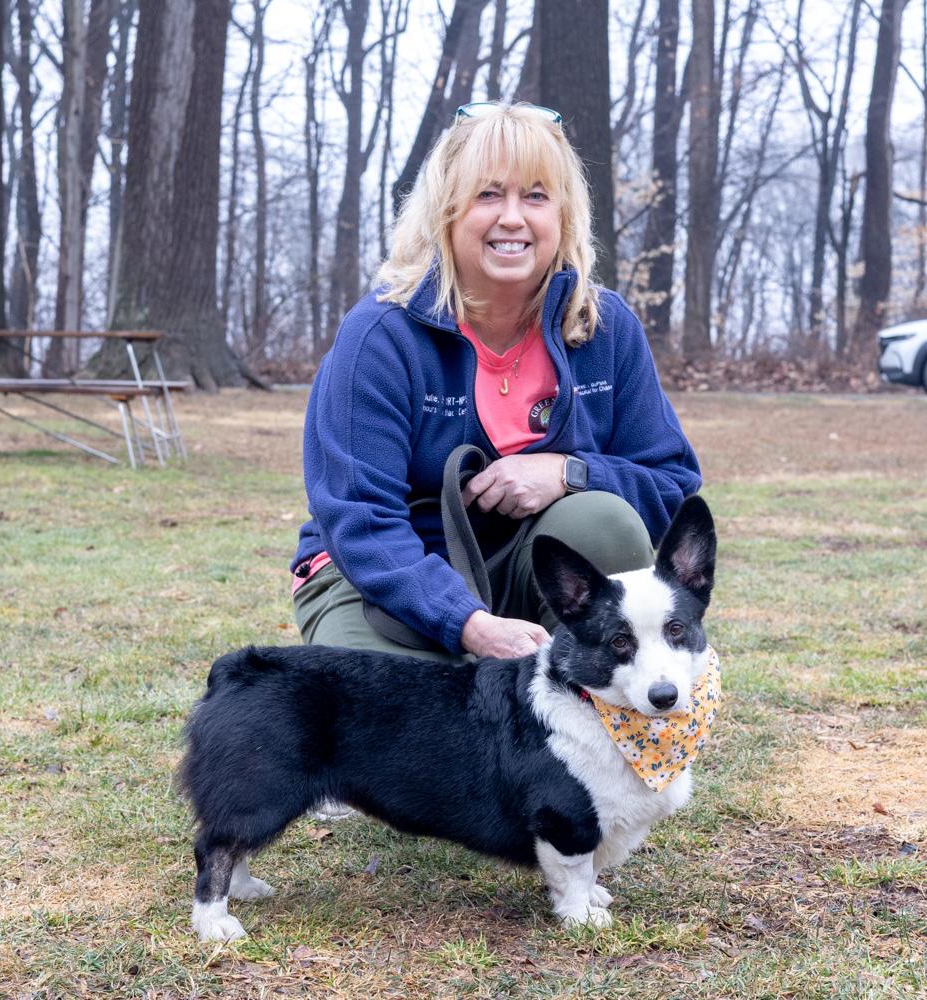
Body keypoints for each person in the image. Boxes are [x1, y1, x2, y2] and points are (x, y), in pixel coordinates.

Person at [291, 101, 702, 664]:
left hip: (534, 574)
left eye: (536, 196)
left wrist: (567, 473)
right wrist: (469, 625)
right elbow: (360, 519)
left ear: (563, 216)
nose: (513, 217)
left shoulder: (605, 329)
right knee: (407, 732)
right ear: (446, 213)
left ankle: (574, 700)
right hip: (380, 579)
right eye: (488, 194)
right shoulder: (381, 335)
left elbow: (672, 485)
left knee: (602, 521)